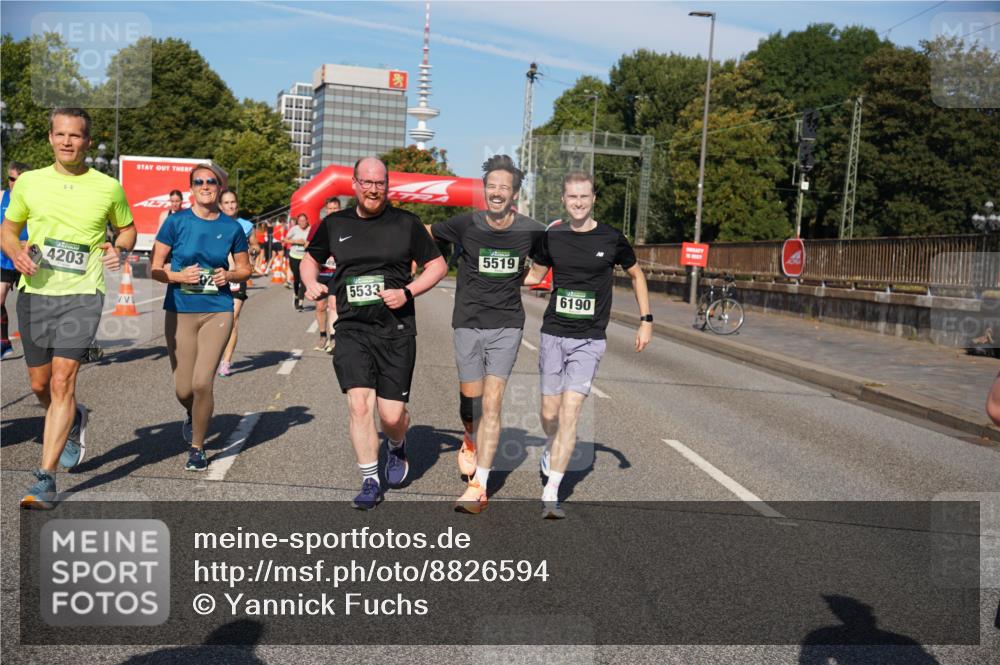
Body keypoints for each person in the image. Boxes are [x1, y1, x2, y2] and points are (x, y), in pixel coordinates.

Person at [1, 108, 136, 509]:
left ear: (87, 142)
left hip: (83, 292)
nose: (66, 142)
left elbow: (127, 227)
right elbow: (8, 228)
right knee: (40, 385)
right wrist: (15, 252)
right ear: (49, 139)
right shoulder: (29, 183)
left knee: (62, 381)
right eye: (59, 134)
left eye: (75, 136)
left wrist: (121, 248)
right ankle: (74, 419)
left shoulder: (108, 187)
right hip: (36, 291)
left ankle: (46, 478)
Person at [302, 157, 446, 509]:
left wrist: (408, 291)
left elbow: (438, 265)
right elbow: (310, 259)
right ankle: (369, 480)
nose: (372, 188)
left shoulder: (406, 223)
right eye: (366, 182)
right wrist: (310, 283)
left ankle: (397, 446)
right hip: (351, 327)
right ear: (354, 184)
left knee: (392, 415)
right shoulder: (335, 223)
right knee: (359, 405)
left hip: (395, 329)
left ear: (387, 185)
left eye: (379, 182)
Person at [524, 171, 653, 519]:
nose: (578, 202)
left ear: (593, 198)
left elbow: (637, 274)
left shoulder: (612, 238)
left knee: (570, 414)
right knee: (549, 413)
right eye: (571, 197)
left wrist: (646, 320)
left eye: (584, 196)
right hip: (553, 333)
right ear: (564, 200)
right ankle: (551, 449)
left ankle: (551, 491)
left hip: (589, 339)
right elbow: (534, 276)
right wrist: (495, 276)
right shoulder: (552, 237)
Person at [426, 154, 545, 513]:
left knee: (493, 405)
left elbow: (540, 270)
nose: (497, 192)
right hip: (467, 321)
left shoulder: (532, 230)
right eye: (492, 186)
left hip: (507, 325)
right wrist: (430, 263)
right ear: (484, 190)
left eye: (504, 188)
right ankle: (469, 437)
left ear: (515, 194)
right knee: (471, 407)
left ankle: (480, 485)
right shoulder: (467, 224)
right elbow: (426, 232)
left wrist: (522, 278)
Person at [150, 164, 250, 471]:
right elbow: (154, 268)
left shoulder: (232, 228)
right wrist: (178, 275)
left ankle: (197, 446)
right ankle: (193, 414)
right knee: (184, 389)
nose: (205, 185)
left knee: (202, 382)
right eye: (198, 181)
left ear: (220, 187)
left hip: (217, 309)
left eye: (211, 181)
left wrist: (229, 274)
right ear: (191, 187)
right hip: (180, 309)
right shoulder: (175, 222)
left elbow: (246, 269)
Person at [217, 189, 260, 377]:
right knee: (214, 320)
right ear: (220, 205)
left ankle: (226, 362)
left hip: (236, 276)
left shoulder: (245, 225)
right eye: (226, 203)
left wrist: (254, 251)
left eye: (233, 202)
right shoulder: (213, 223)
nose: (230, 206)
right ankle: (212, 355)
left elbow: (255, 244)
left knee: (232, 319)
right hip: (215, 277)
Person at [1, 161, 31, 360]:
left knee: (32, 307)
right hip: (4, 258)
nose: (15, 183)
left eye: (19, 180)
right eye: (12, 179)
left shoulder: (36, 200)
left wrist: (28, 244)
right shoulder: (2, 197)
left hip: (30, 257)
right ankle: (3, 343)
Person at [310, 197, 341, 352]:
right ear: (326, 210)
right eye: (330, 209)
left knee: (333, 305)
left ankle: (334, 338)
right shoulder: (317, 226)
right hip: (321, 272)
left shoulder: (345, 225)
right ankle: (323, 335)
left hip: (337, 272)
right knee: (320, 306)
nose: (333, 211)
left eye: (336, 208)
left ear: (339, 209)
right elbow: (310, 250)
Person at [287, 213, 310, 311]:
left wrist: (307, 243)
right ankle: (296, 294)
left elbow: (314, 240)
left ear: (307, 221)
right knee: (296, 279)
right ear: (298, 221)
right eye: (300, 221)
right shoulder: (294, 229)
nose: (302, 223)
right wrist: (296, 241)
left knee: (304, 279)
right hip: (294, 256)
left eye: (304, 220)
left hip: (305, 257)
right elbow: (285, 239)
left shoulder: (310, 229)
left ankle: (300, 302)